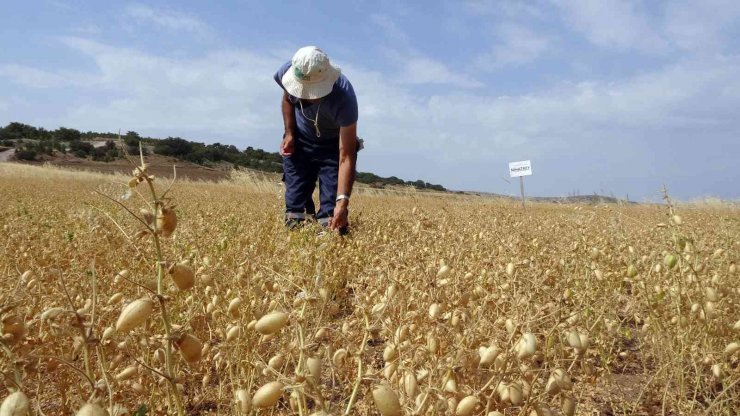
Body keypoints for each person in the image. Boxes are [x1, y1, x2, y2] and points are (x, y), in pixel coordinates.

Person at [274, 46, 360, 233]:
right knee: (295, 214)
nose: (304, 95)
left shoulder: (345, 98)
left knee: (332, 223)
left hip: (332, 148)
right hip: (300, 140)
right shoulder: (288, 70)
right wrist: (289, 133)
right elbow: (288, 98)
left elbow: (346, 154)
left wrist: (342, 202)